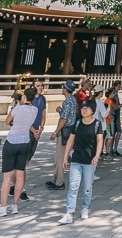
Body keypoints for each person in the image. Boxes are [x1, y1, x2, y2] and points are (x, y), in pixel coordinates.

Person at [57, 98, 104, 223]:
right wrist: (65, 156)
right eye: (82, 108)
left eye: (87, 108)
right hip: (76, 159)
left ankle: (85, 207)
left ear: (92, 111)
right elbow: (70, 141)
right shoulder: (77, 124)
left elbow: (100, 141)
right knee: (73, 186)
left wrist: (97, 156)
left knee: (87, 187)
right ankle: (69, 212)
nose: (84, 110)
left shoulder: (97, 124)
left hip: (89, 160)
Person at [0, 87, 40, 216]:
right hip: (24, 142)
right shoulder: (35, 109)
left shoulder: (17, 109)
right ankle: (15, 205)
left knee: (7, 176)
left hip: (12, 141)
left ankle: (3, 207)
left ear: (24, 97)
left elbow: (7, 121)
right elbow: (27, 123)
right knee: (20, 174)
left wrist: (14, 106)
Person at [47, 79, 78, 190]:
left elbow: (64, 120)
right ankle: (54, 179)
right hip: (70, 130)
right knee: (59, 156)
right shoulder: (73, 100)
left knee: (60, 157)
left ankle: (60, 182)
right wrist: (60, 111)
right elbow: (69, 116)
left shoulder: (67, 101)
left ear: (65, 89)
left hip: (65, 131)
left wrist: (55, 132)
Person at [110, 81, 122, 157]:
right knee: (118, 131)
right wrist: (121, 105)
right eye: (118, 86)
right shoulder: (114, 94)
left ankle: (112, 148)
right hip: (115, 114)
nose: (119, 87)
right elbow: (115, 106)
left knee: (114, 132)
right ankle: (113, 149)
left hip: (116, 114)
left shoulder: (116, 94)